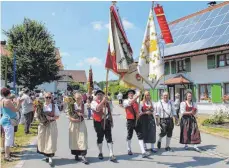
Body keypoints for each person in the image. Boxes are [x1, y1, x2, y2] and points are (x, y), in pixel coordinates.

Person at [123, 89, 150, 158]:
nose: (131, 94)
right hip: (130, 120)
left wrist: (144, 112)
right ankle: (129, 149)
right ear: (128, 95)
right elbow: (130, 103)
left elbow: (139, 111)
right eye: (130, 93)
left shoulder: (137, 102)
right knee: (130, 135)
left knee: (140, 135)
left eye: (132, 93)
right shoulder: (126, 101)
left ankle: (143, 151)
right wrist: (137, 96)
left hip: (137, 120)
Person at [91, 90, 116, 162]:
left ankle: (111, 154)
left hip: (107, 121)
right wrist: (103, 101)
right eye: (98, 94)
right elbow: (97, 108)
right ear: (96, 96)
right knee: (100, 137)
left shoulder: (107, 102)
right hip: (98, 122)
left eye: (101, 94)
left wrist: (108, 102)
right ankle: (100, 152)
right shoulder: (94, 102)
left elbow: (110, 110)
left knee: (109, 137)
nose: (100, 96)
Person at [36, 92, 60, 165]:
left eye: (50, 97)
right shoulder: (40, 106)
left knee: (51, 140)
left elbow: (58, 116)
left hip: (51, 124)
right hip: (42, 125)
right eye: (47, 97)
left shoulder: (54, 106)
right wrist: (41, 121)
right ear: (44, 98)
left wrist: (51, 118)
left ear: (51, 98)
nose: (48, 99)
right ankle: (46, 155)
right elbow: (36, 116)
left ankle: (50, 157)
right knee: (43, 139)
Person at [0, 88, 22, 161]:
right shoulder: (8, 101)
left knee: (6, 137)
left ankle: (8, 153)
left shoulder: (2, 100)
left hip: (4, 119)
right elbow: (16, 109)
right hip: (9, 121)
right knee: (8, 139)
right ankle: (7, 156)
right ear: (9, 93)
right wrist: (19, 103)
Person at [68, 93, 88, 164]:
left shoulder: (84, 105)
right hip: (73, 123)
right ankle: (76, 154)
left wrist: (82, 115)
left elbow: (86, 115)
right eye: (77, 98)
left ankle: (83, 155)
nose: (79, 100)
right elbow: (68, 114)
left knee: (82, 138)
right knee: (74, 138)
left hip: (81, 123)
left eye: (80, 98)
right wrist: (72, 119)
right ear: (75, 98)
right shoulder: (71, 105)